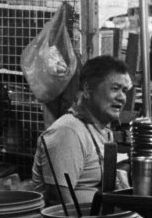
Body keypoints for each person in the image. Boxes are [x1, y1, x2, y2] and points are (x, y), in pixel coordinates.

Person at [31, 56, 132, 207]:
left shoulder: (103, 130)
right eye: (115, 89)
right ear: (87, 89)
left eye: (124, 91)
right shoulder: (67, 132)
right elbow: (60, 205)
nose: (122, 98)